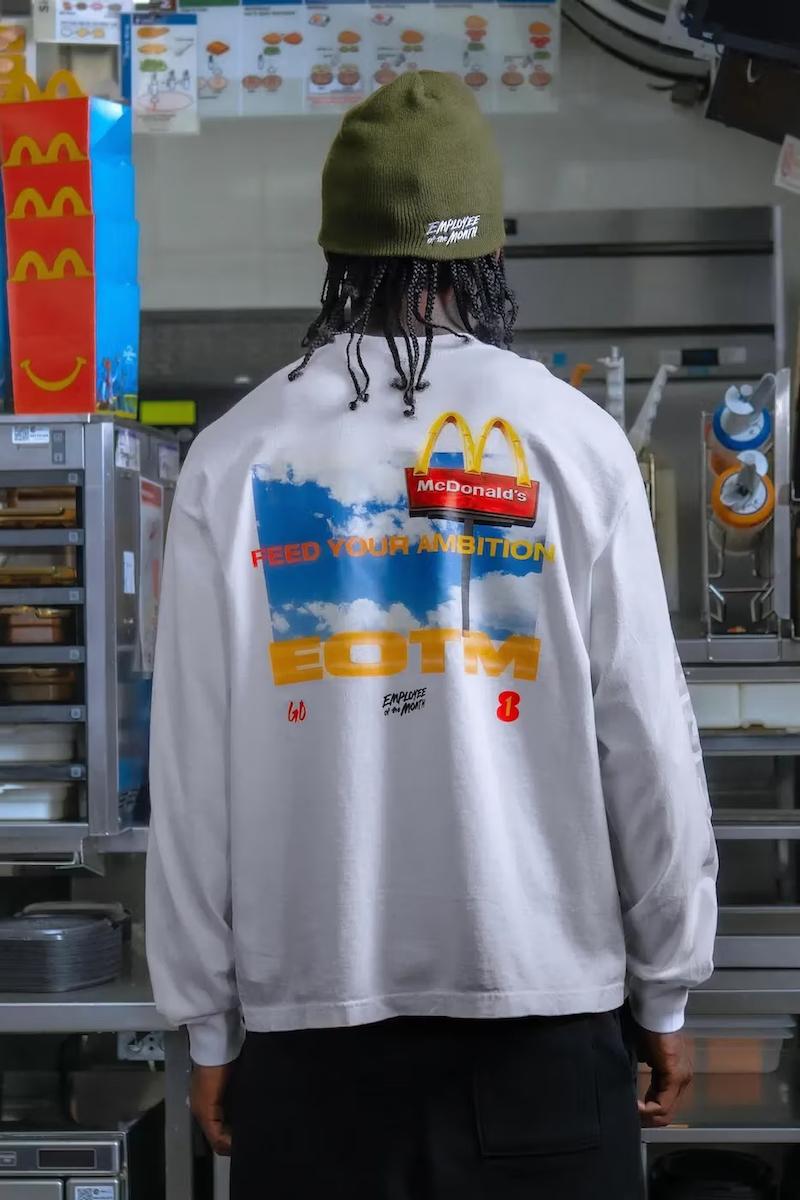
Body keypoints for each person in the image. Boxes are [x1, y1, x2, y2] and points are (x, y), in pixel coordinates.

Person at [146, 71, 718, 1200]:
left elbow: (191, 774)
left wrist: (206, 1024)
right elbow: (649, 745)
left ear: (335, 249)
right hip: (544, 1030)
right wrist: (666, 988)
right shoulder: (573, 441)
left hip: (311, 1050)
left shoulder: (234, 455)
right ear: (489, 252)